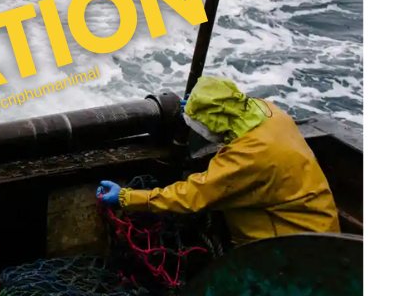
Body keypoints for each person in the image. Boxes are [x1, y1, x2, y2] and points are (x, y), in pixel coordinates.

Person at [96, 76, 340, 245]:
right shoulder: (270, 112)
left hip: (288, 248)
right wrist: (196, 106)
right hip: (323, 229)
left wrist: (125, 197)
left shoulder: (247, 157)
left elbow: (190, 197)